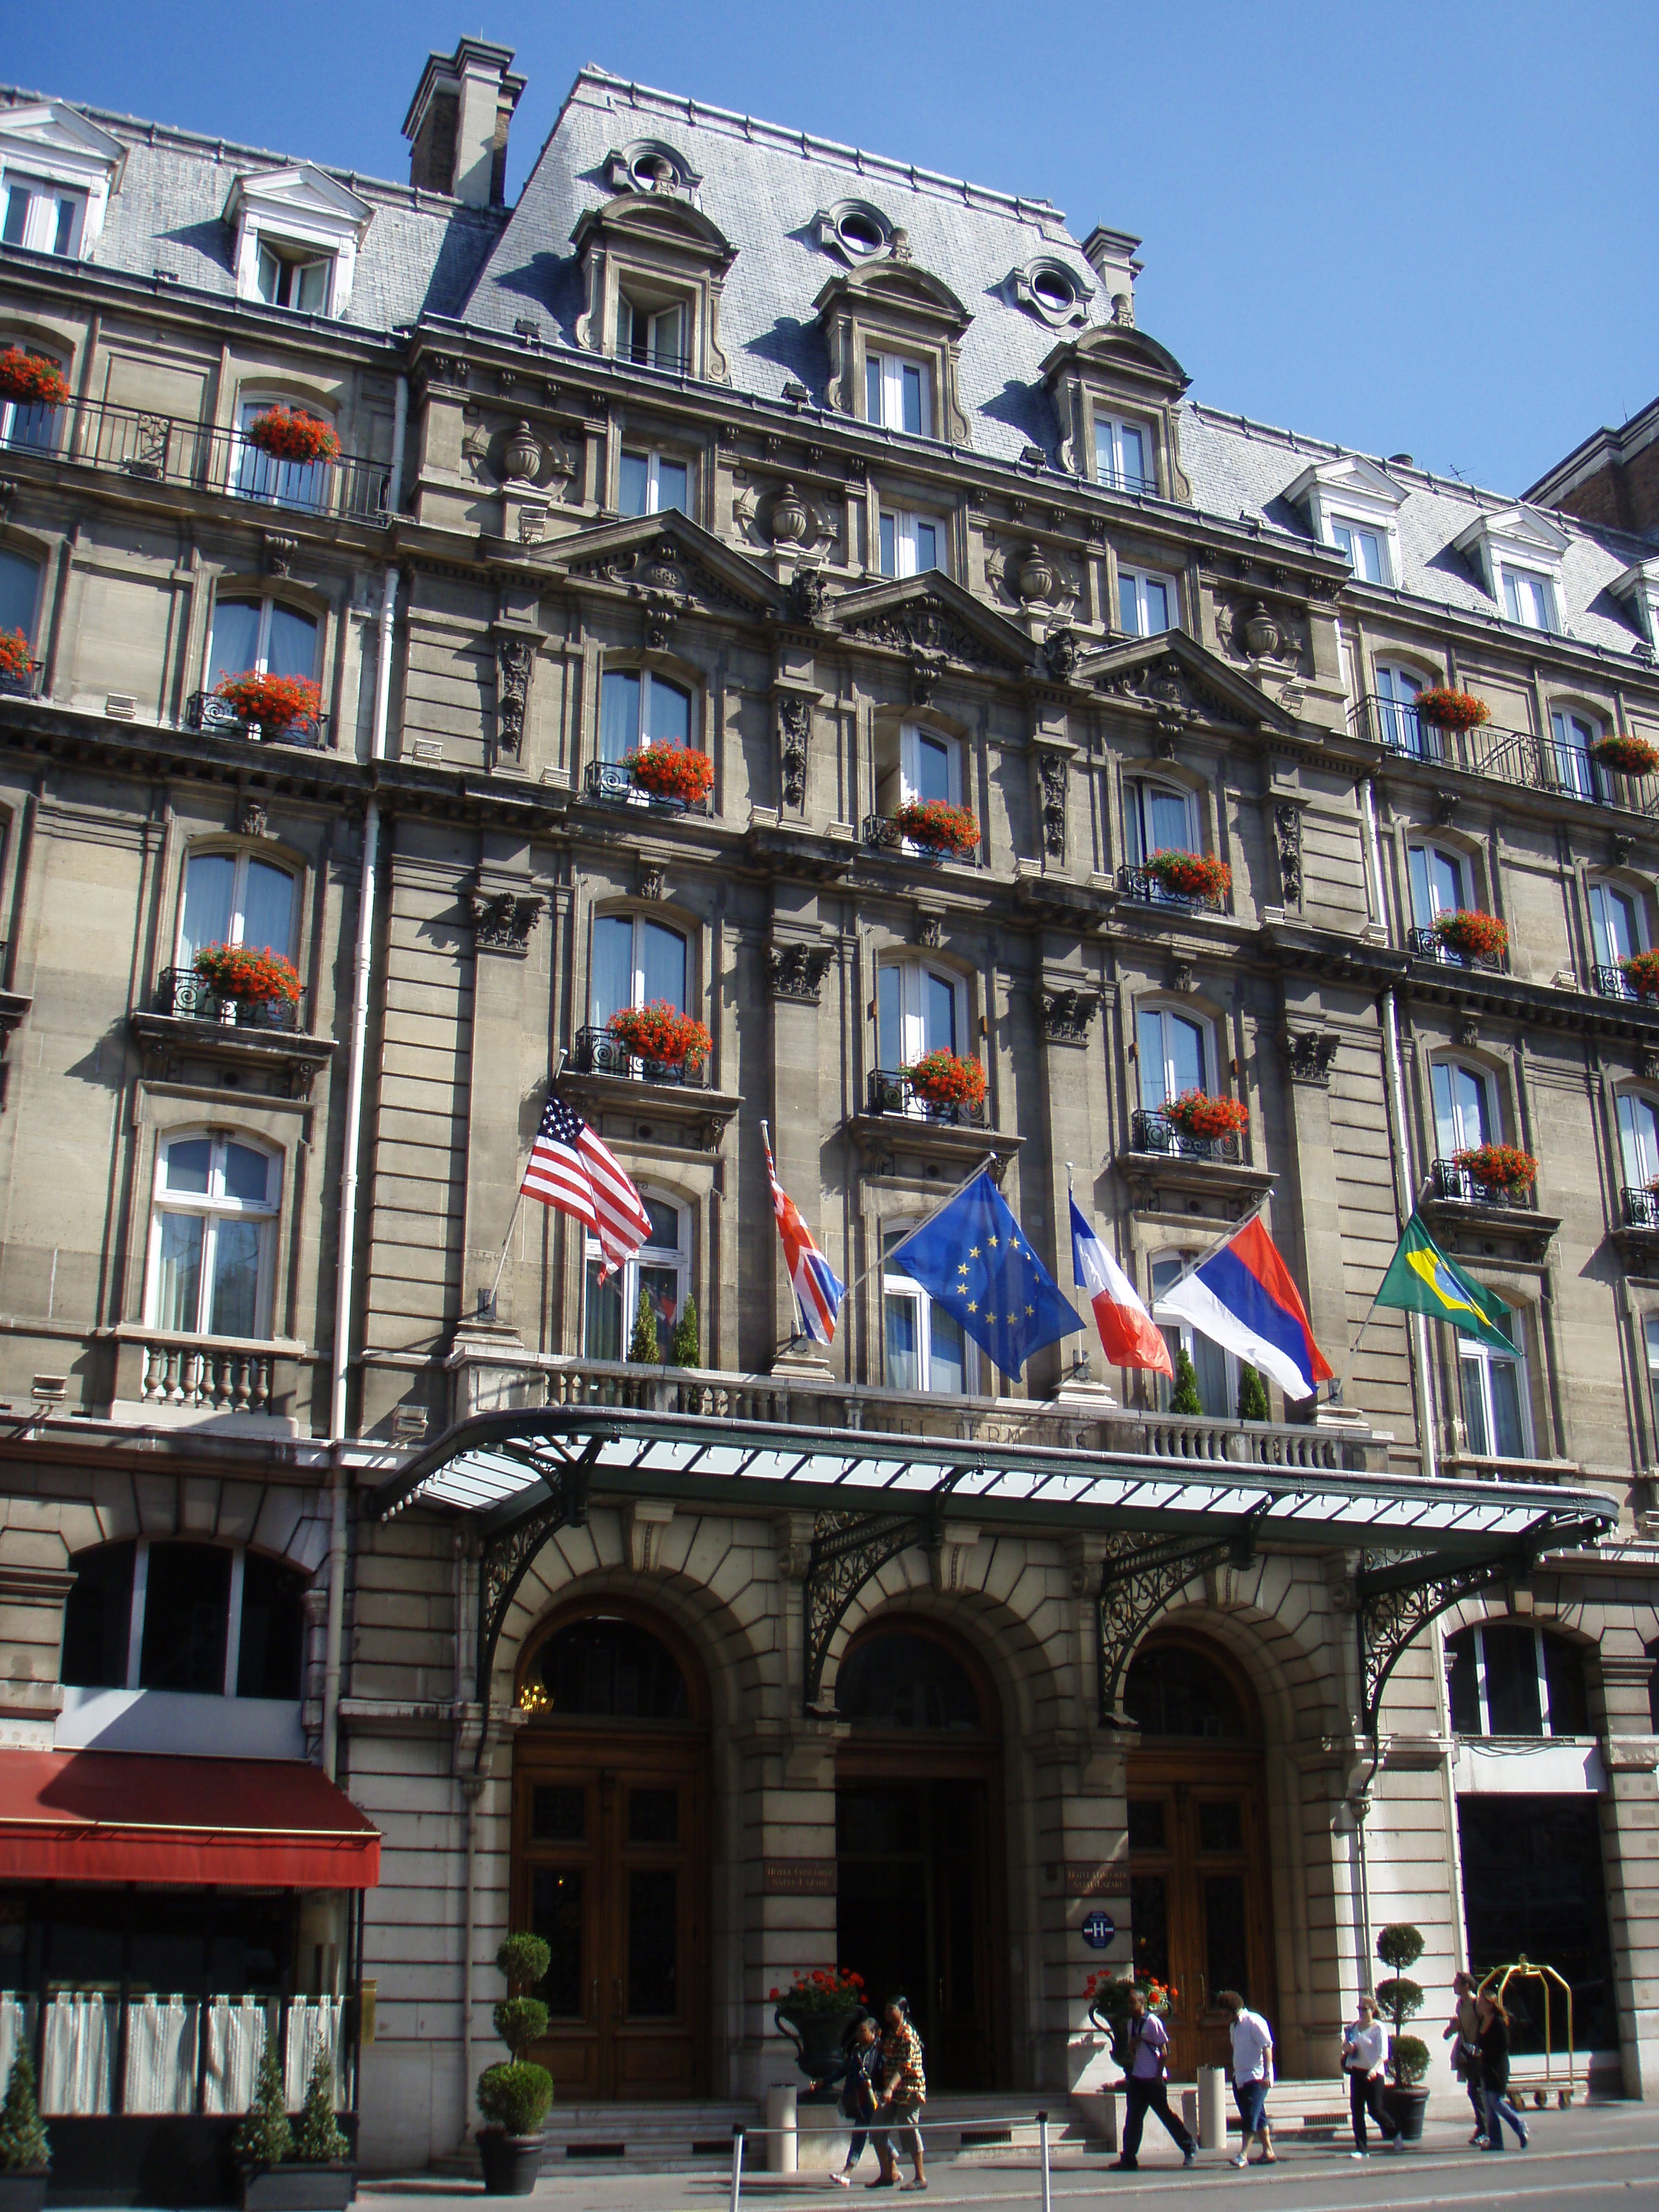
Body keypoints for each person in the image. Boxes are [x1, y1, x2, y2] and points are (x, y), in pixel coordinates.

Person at [1110, 1987, 1197, 2170]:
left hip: (1154, 2080)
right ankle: (1129, 2158)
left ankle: (1189, 2147)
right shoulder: (1130, 2024)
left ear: (1142, 2003)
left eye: (1133, 2002)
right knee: (1133, 2120)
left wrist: (1158, 2075)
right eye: (1128, 2002)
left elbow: (1164, 2052)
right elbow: (1131, 2052)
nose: (1129, 2006)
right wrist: (1132, 2046)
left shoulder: (1152, 2022)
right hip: (1138, 2078)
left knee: (1166, 2116)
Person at [869, 1995, 927, 2192]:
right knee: (877, 2128)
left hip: (909, 2090)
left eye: (891, 2009)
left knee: (909, 2130)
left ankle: (920, 2177)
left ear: (902, 2011)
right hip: (891, 2091)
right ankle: (887, 2174)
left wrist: (889, 2088)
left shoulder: (907, 2035)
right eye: (886, 2009)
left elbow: (904, 2067)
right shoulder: (892, 2034)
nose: (887, 2013)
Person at [817, 2015, 880, 2188]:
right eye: (858, 2031)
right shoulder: (857, 2051)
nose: (859, 2034)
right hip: (858, 2098)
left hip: (871, 2099)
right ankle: (894, 2166)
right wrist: (826, 2080)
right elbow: (845, 2070)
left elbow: (878, 2073)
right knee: (877, 2133)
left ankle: (847, 2172)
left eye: (863, 2031)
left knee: (862, 2134)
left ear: (874, 2033)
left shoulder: (878, 2051)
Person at [1218, 1990, 1274, 2167]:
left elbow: (1267, 2047)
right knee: (1258, 2116)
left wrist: (1266, 2073)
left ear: (1234, 2010)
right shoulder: (1233, 2027)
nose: (1223, 2017)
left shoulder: (1254, 2022)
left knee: (1250, 2116)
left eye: (1226, 2014)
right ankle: (1268, 2151)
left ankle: (1243, 2155)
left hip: (1256, 2078)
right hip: (1240, 2077)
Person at [1341, 1996, 1400, 2157]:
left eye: (1364, 2009)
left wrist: (1374, 2069)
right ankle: (1362, 2149)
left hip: (1374, 2073)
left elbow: (1383, 2054)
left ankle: (1394, 2133)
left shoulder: (1378, 2028)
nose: (1361, 2012)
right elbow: (1348, 2048)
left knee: (1375, 2110)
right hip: (1357, 2072)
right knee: (1357, 2111)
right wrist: (1348, 2047)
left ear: (1372, 2010)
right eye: (1359, 2009)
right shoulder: (1354, 2027)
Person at [1475, 1991, 1529, 2153]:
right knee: (1489, 2105)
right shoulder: (1483, 2021)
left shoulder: (1498, 2022)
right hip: (1485, 2066)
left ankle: (1519, 2125)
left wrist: (1486, 2051)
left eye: (1482, 2002)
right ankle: (1496, 2141)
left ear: (1490, 2004)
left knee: (1495, 2101)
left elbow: (1504, 2044)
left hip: (1498, 2066)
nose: (1479, 2004)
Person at [1443, 1972, 1486, 2145]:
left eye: (1457, 1983)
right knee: (1473, 2091)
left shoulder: (1477, 2004)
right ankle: (1482, 2128)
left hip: (1479, 2053)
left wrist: (1481, 2046)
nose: (1454, 1986)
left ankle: (1485, 2129)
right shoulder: (1460, 2005)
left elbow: (1484, 2024)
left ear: (1466, 1986)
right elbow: (1462, 2025)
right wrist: (1451, 2030)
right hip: (1468, 2052)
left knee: (1477, 2091)